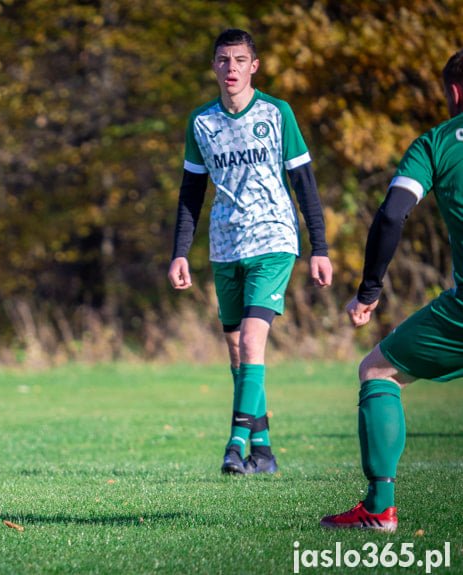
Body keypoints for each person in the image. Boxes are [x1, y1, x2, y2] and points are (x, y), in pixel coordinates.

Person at [168, 29, 333, 475]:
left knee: (251, 340)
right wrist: (180, 252)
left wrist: (320, 247)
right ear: (214, 66)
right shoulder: (201, 123)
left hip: (274, 241)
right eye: (223, 60)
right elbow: (191, 192)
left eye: (240, 60)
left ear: (254, 66)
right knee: (237, 353)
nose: (232, 68)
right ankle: (263, 450)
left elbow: (304, 183)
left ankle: (235, 443)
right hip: (225, 246)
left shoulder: (277, 113)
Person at [320, 49, 463, 533]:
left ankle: (380, 509)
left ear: (455, 93)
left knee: (377, 370)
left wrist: (368, 291)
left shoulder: (436, 145)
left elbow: (392, 214)